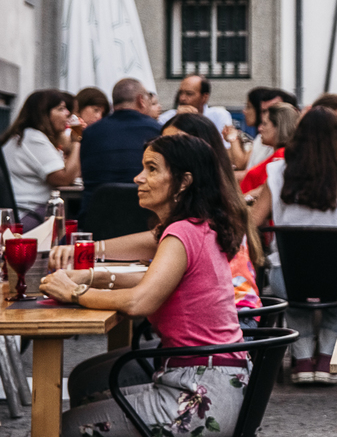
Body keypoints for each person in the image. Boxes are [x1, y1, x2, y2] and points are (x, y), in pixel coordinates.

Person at [41, 133, 251, 436]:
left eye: (152, 169)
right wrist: (90, 276)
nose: (139, 178)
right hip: (212, 381)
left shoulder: (181, 232)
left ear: (183, 181)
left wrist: (76, 292)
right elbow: (155, 281)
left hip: (199, 395)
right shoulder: (200, 225)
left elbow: (140, 302)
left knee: (59, 427)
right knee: (82, 394)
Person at [250, 106, 337, 385]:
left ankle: (300, 362)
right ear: (335, 138)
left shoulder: (277, 172)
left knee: (296, 301)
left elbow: (253, 223)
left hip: (287, 280)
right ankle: (326, 360)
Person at [79, 78, 163, 216]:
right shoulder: (158, 131)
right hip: (145, 218)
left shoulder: (90, 133)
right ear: (141, 100)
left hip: (96, 217)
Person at [1, 90, 82, 230]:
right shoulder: (33, 138)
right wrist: (76, 141)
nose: (67, 113)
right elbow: (64, 178)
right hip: (28, 215)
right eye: (61, 109)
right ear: (43, 114)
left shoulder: (24, 136)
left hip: (26, 212)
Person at [239, 102, 299, 193]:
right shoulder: (280, 154)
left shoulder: (281, 156)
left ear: (278, 127)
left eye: (264, 124)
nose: (260, 128)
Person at [226, 87, 287, 171]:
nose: (244, 111)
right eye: (263, 111)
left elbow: (240, 164)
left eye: (249, 106)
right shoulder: (260, 138)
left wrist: (233, 137)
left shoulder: (280, 148)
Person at [158, 75, 233, 137]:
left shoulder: (219, 116)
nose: (182, 98)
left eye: (189, 94)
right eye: (180, 93)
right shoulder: (167, 118)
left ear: (204, 97)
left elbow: (224, 149)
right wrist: (177, 120)